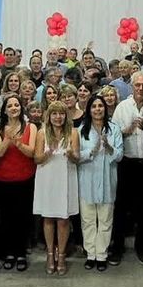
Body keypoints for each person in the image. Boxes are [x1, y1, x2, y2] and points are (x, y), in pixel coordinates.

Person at [110, 72, 143, 266]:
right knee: (121, 207)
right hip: (127, 163)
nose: (141, 88)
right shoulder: (122, 107)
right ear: (132, 86)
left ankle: (141, 247)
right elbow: (113, 135)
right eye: (137, 85)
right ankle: (117, 247)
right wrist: (127, 130)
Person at [0, 94, 37, 272]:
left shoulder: (30, 127)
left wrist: (18, 143)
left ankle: (21, 253)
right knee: (5, 218)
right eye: (9, 106)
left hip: (25, 179)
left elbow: (31, 152)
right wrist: (7, 139)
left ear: (21, 108)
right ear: (4, 110)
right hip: (2, 180)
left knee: (22, 218)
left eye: (16, 105)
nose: (13, 108)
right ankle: (9, 253)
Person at [77, 95, 123, 271]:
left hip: (107, 180)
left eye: (100, 106)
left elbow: (119, 155)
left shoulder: (114, 129)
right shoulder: (81, 130)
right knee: (88, 220)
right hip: (87, 179)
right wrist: (93, 150)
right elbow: (77, 156)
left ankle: (102, 255)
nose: (98, 109)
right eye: (94, 106)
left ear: (105, 108)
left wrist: (108, 147)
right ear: (89, 110)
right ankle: (91, 254)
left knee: (105, 219)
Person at [33, 101, 80, 275]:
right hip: (47, 178)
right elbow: (36, 159)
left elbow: (77, 158)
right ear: (49, 116)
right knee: (48, 218)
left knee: (63, 219)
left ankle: (61, 255)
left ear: (66, 116)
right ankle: (50, 254)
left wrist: (71, 154)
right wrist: (47, 153)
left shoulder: (73, 132)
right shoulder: (42, 132)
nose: (58, 117)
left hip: (66, 178)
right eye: (54, 114)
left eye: (61, 114)